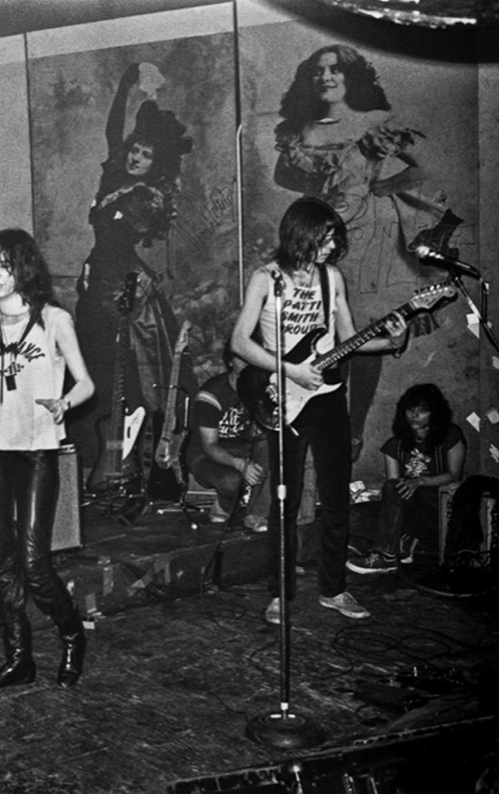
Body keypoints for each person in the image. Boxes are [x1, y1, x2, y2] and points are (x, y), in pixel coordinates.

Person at [231, 197, 409, 625]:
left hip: (327, 396)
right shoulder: (265, 278)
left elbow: (348, 338)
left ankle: (334, 589)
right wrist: (289, 368)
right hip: (283, 393)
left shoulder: (332, 279)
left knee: (336, 499)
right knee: (284, 500)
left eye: (334, 238)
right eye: (324, 237)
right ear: (301, 234)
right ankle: (279, 593)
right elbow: (239, 342)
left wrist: (392, 342)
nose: (331, 246)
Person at [273, 44, 452, 459]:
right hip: (323, 232)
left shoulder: (375, 122)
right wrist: (320, 191)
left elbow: (425, 164)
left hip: (367, 236)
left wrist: (379, 186)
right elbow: (285, 176)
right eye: (318, 71)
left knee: (364, 328)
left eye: (336, 70)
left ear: (353, 78)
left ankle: (352, 434)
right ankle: (321, 422)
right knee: (323, 331)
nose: (327, 77)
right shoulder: (301, 128)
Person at [0, 229, 94, 691]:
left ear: (23, 268)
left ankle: (72, 634)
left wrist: (65, 403)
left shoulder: (55, 319)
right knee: (1, 562)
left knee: (34, 560)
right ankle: (19, 658)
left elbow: (86, 384)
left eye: (4, 265)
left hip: (37, 448)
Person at [74, 61, 193, 493]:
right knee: (93, 370)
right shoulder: (113, 175)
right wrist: (127, 83)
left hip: (123, 290)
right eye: (134, 150)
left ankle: (136, 467)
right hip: (96, 284)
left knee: (133, 377)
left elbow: (135, 241)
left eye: (145, 154)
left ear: (155, 162)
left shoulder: (150, 196)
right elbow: (113, 129)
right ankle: (104, 464)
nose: (135, 156)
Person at [348, 383, 464, 574]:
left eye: (422, 411)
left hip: (436, 511)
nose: (414, 416)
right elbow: (392, 488)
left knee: (393, 491)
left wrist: (419, 481)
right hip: (406, 511)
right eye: (410, 410)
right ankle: (401, 540)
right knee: (352, 515)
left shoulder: (450, 435)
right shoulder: (394, 445)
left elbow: (454, 474)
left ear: (434, 413)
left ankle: (386, 556)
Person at [187, 345, 270, 532]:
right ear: (230, 361)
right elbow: (209, 445)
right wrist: (241, 465)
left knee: (273, 444)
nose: (248, 364)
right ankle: (225, 503)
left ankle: (256, 514)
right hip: (207, 455)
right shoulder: (211, 394)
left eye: (252, 358)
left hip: (245, 448)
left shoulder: (262, 388)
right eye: (241, 358)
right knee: (232, 482)